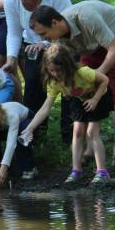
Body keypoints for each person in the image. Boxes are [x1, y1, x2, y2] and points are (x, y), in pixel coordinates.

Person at [21, 44, 112, 184]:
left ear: (68, 66)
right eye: (51, 70)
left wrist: (95, 99)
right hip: (78, 98)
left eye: (58, 70)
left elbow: (105, 80)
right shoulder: (54, 82)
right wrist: (30, 128)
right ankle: (76, 170)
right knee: (77, 132)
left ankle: (102, 172)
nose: (55, 74)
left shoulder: (83, 72)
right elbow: (45, 108)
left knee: (92, 131)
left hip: (98, 96)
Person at [2, 0, 72, 141]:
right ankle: (34, 133)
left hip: (62, 42)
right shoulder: (11, 0)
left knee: (68, 86)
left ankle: (69, 134)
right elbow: (14, 32)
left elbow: (67, 23)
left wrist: (47, 43)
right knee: (33, 84)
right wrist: (11, 58)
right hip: (32, 46)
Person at [30, 1, 115, 107]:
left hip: (111, 40)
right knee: (85, 89)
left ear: (54, 23)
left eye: (43, 33)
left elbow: (113, 49)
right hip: (92, 48)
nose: (43, 39)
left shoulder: (87, 18)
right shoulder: (58, 36)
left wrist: (98, 73)